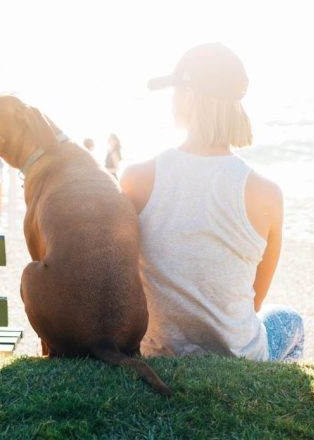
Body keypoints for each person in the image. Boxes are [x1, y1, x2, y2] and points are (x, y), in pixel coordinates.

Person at [120, 43, 303, 362]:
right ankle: (272, 399)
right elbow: (254, 303)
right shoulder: (266, 194)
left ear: (189, 95)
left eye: (176, 90)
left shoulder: (137, 178)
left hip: (157, 351)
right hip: (239, 356)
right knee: (291, 321)